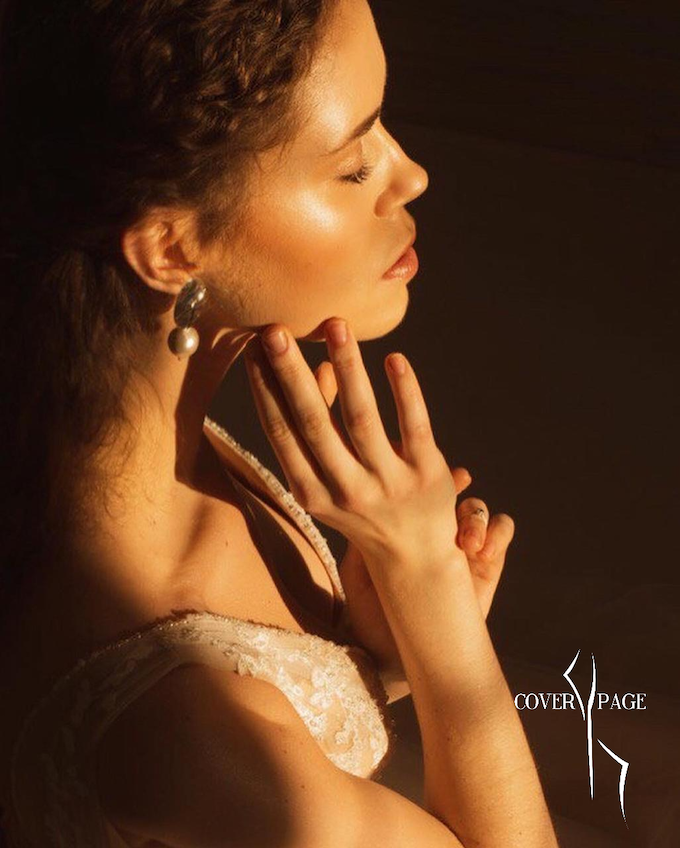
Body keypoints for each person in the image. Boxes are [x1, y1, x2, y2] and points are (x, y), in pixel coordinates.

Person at [0, 0, 560, 845]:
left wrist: (371, 659)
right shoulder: (194, 739)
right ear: (173, 249)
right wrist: (432, 597)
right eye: (354, 166)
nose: (412, 175)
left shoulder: (111, 442)